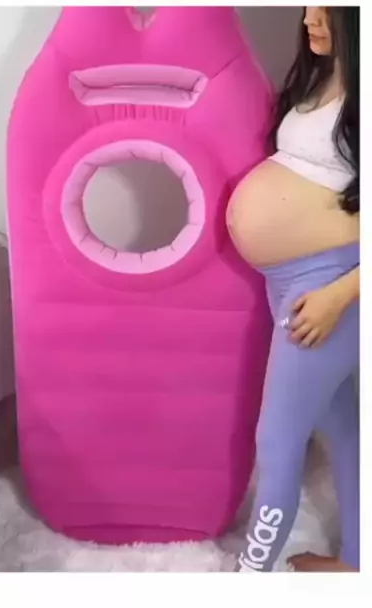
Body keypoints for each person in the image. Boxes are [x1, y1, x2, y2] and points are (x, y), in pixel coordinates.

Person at [226, 6, 360, 572]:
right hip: (289, 280)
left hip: (331, 288)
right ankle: (359, 563)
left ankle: (251, 575)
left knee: (277, 439)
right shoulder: (321, 76)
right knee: (343, 426)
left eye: (325, 8)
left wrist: (338, 296)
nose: (309, 19)